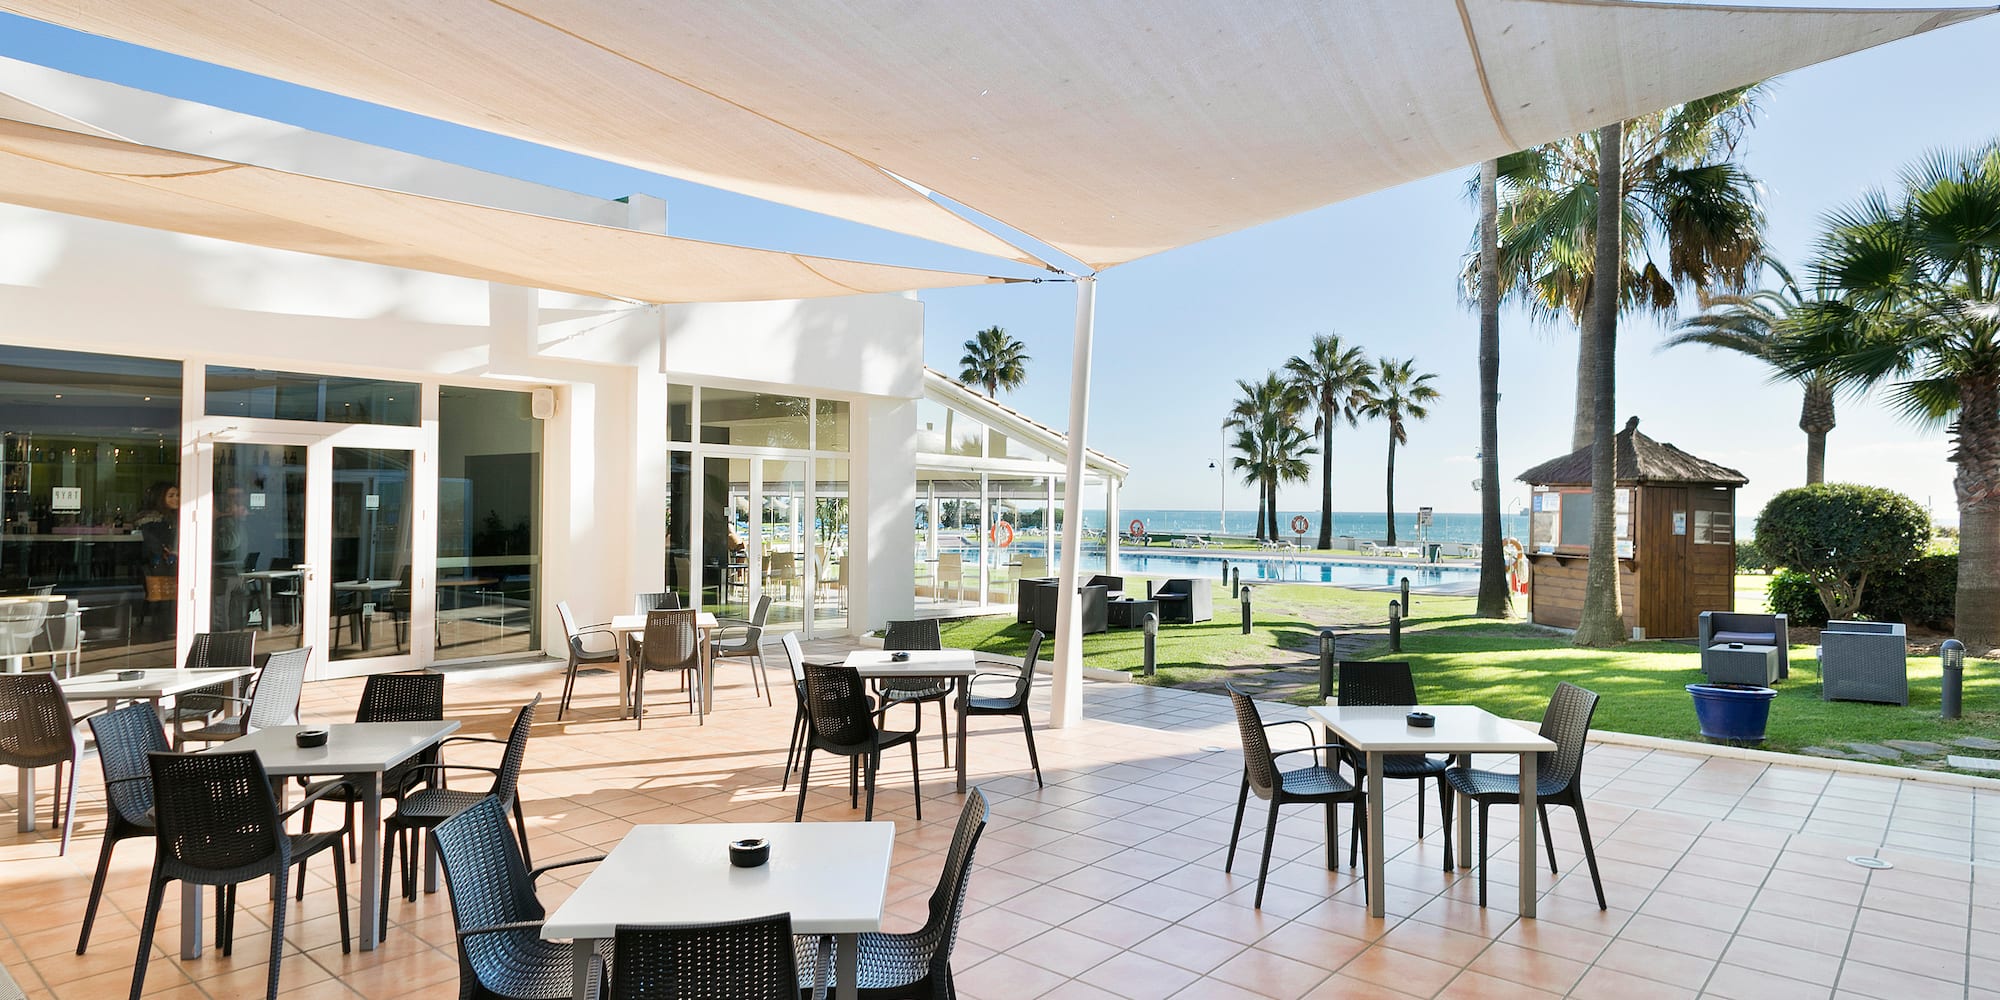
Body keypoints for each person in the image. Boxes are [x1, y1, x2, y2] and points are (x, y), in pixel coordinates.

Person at [136, 482, 178, 639]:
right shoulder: (153, 521)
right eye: (171, 496)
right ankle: (162, 633)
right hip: (159, 566)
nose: (176, 499)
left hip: (168, 565)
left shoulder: (177, 517)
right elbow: (154, 545)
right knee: (163, 602)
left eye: (178, 495)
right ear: (161, 498)